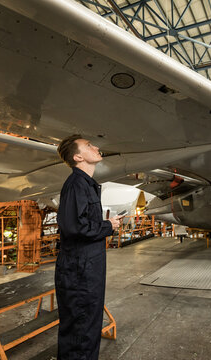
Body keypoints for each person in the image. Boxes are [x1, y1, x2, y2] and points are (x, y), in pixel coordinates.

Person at [55, 134, 122, 360]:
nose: (96, 147)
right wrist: (107, 225)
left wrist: (105, 226)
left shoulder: (86, 185)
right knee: (80, 331)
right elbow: (74, 226)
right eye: (88, 146)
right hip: (79, 273)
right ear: (78, 156)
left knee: (89, 328)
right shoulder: (76, 185)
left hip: (88, 270)